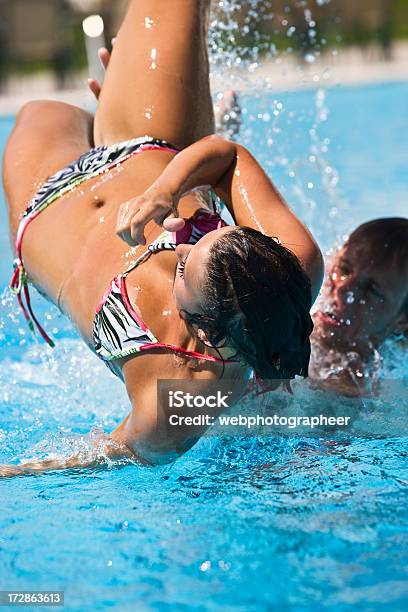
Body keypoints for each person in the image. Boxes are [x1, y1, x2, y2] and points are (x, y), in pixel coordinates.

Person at [1, 0, 322, 476]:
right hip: (147, 145)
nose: (176, 237)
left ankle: (106, 107)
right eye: (211, 232)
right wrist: (165, 191)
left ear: (204, 330)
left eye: (181, 262)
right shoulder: (294, 264)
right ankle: (123, 105)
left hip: (46, 203)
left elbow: (107, 453)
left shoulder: (176, 400)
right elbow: (226, 157)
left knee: (42, 109)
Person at [310, 217, 408, 395]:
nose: (342, 289)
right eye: (344, 269)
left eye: (370, 289)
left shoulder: (352, 394)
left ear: (403, 320)